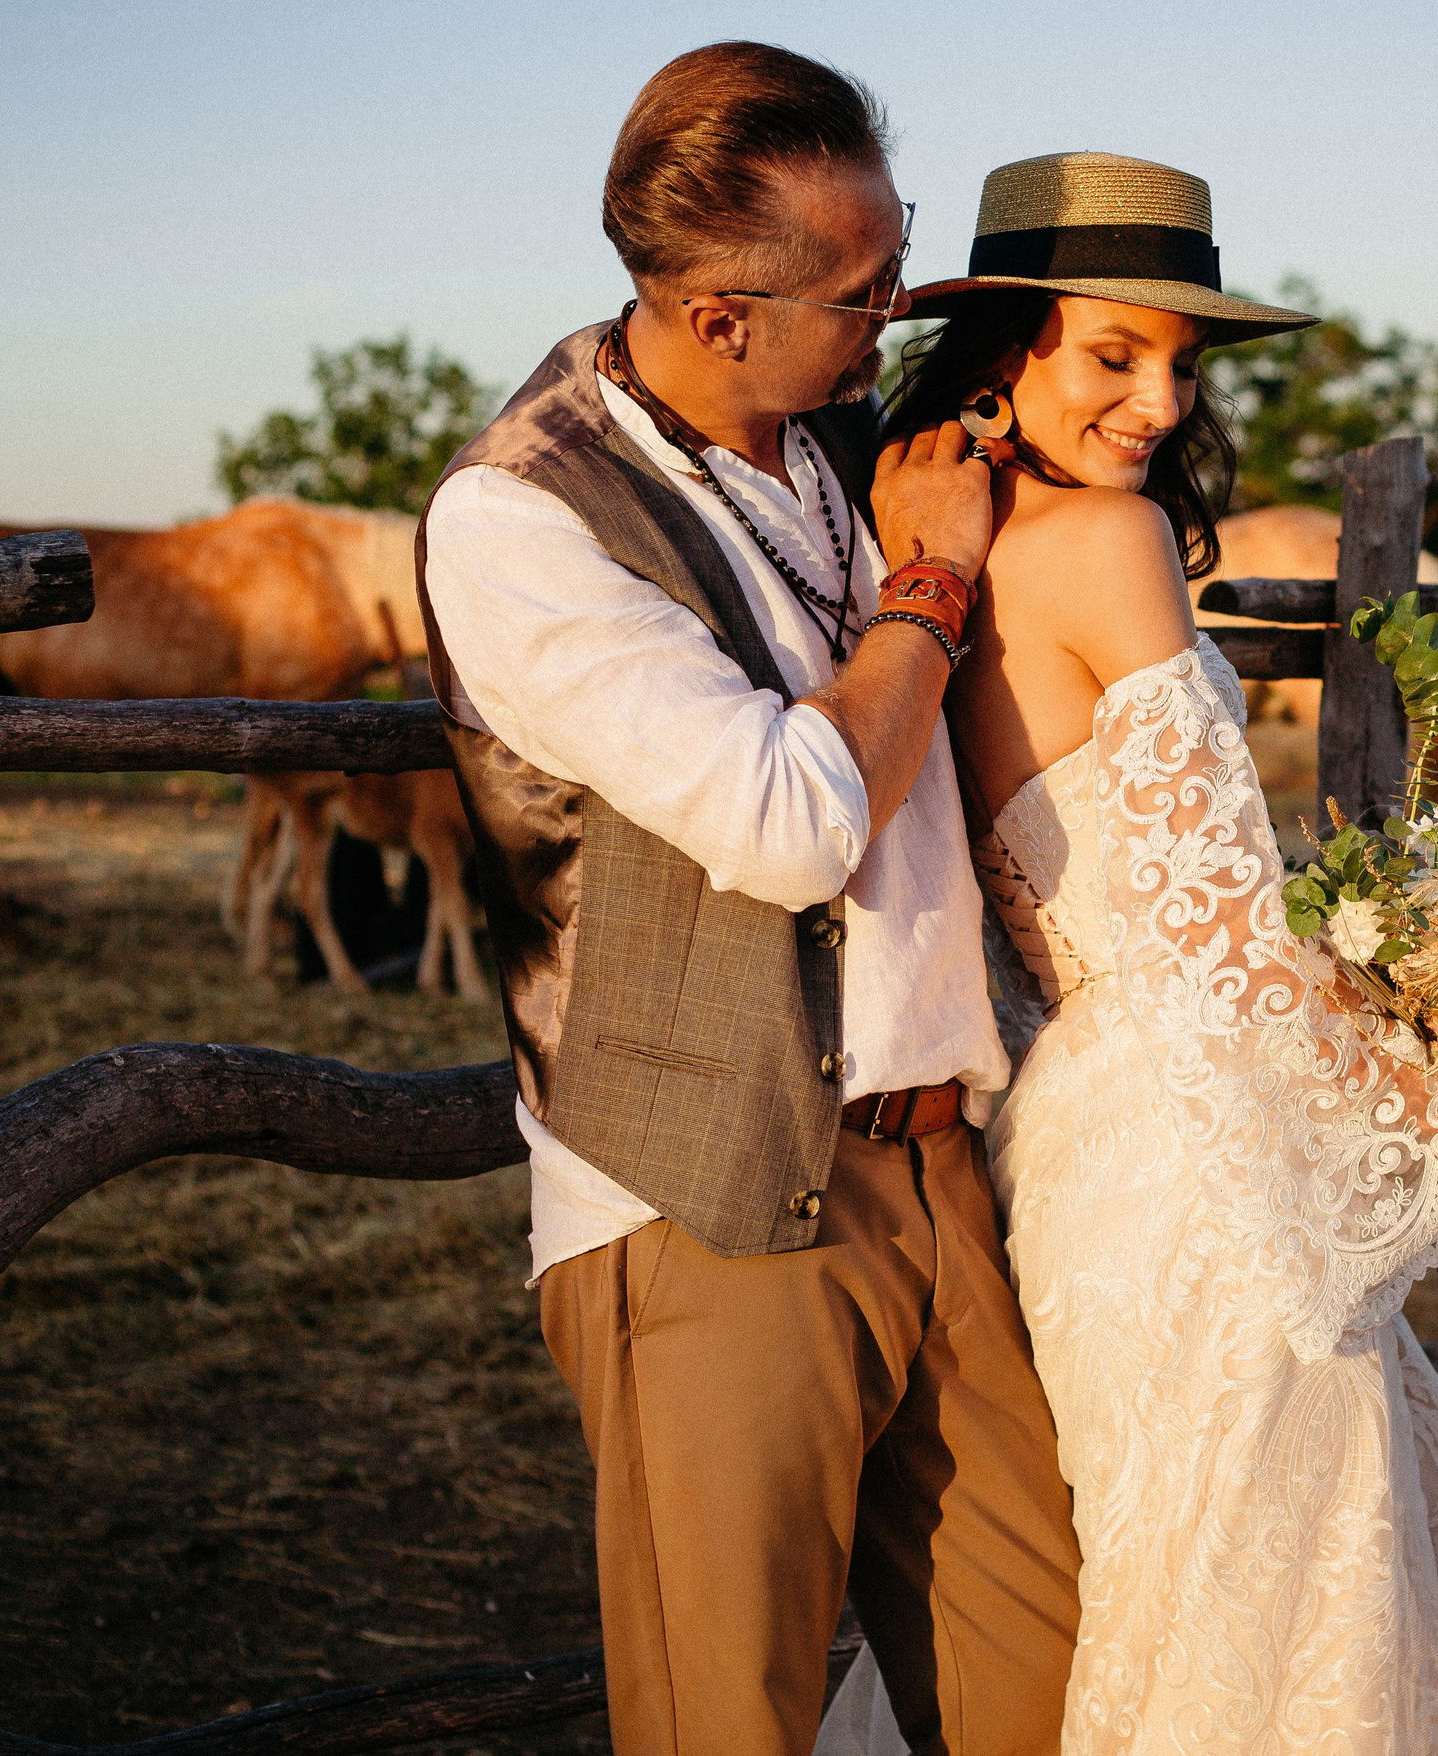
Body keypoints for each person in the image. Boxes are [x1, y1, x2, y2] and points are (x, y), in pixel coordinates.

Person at [820, 153, 1438, 1755]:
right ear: (1009, 345)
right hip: (1205, 1151)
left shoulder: (924, 548)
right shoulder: (1111, 542)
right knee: (1293, 1586)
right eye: (1113, 354)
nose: (1155, 404)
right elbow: (1227, 950)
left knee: (1157, 1579)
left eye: (1182, 364)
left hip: (1075, 1140)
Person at [415, 46, 1080, 1756]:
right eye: (865, 291)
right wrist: (927, 577)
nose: (896, 312)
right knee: (733, 1721)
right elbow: (789, 823)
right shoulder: (522, 515)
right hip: (711, 1204)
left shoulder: (844, 434)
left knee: (1069, 1695)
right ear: (721, 315)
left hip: (944, 1167)